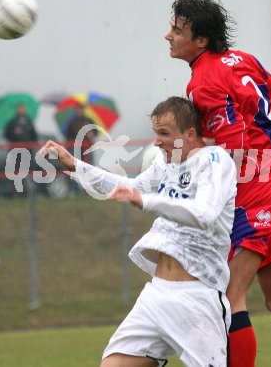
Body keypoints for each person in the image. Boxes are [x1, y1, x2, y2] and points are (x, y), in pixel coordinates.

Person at [165, 0, 271, 366]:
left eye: (177, 30)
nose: (168, 36)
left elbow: (233, 141)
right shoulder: (243, 60)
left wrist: (227, 182)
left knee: (230, 297)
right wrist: (268, 155)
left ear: (200, 41)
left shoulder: (203, 81)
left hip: (256, 192)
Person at [40, 96, 237, 367]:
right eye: (156, 133)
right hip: (156, 295)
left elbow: (204, 214)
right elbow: (128, 186)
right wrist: (75, 165)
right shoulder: (165, 164)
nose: (156, 141)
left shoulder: (215, 160)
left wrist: (146, 201)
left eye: (164, 133)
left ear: (190, 134)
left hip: (197, 299)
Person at [4, 103, 38, 170]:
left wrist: (34, 144)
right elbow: (6, 134)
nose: (21, 110)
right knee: (17, 168)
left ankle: (27, 179)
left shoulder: (29, 121)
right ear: (17, 109)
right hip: (16, 149)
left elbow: (33, 134)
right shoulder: (12, 122)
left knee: (28, 167)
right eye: (20, 108)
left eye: (22, 108)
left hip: (27, 149)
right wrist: (14, 132)